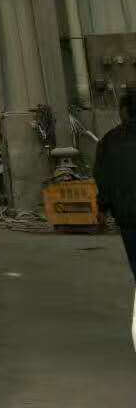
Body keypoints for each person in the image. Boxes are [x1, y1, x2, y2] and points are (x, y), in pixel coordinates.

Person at [95, 89, 136, 280]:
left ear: (124, 111)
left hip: (128, 216)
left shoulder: (109, 140)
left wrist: (102, 208)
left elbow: (103, 178)